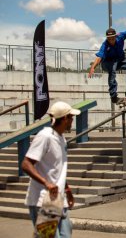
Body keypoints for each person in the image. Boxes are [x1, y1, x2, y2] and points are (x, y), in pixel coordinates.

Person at [22, 101, 80, 238]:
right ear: (65, 118)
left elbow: (58, 169)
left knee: (66, 235)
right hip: (43, 200)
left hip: (58, 199)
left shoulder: (61, 139)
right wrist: (46, 183)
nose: (72, 120)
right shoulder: (45, 136)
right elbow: (26, 164)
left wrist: (67, 190)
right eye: (71, 117)